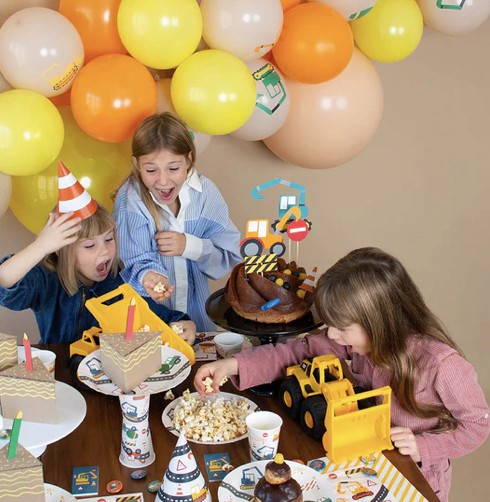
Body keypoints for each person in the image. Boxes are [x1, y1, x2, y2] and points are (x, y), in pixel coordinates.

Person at [194, 247, 489, 501]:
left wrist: (423, 446)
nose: (332, 334)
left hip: (416, 478)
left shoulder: (441, 364)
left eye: (342, 327)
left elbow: (477, 425)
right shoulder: (354, 342)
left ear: (379, 322)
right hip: (364, 463)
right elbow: (297, 351)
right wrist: (231, 365)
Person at [113, 112, 241, 332]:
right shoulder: (130, 201)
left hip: (196, 316)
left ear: (188, 160)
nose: (163, 181)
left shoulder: (206, 194)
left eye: (173, 168)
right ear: (137, 164)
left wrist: (189, 246)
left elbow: (228, 254)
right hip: (148, 322)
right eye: (151, 170)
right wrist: (149, 277)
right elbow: (131, 262)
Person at [0, 204, 196, 345]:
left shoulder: (120, 281)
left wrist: (184, 324)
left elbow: (159, 318)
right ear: (62, 249)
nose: (105, 251)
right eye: (90, 245)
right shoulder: (46, 280)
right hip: (60, 375)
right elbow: (3, 281)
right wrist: (41, 246)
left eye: (109, 239)